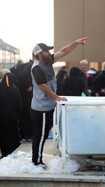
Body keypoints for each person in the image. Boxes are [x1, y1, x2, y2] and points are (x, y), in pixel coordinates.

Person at [30, 37, 88, 167]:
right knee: (40, 135)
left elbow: (63, 51)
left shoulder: (48, 61)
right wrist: (57, 97)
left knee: (43, 135)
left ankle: (37, 159)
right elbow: (43, 86)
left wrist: (76, 42)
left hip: (47, 106)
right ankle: (36, 161)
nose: (49, 53)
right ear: (39, 54)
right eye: (46, 51)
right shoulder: (37, 68)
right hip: (41, 108)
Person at [0, 73, 22, 157]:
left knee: (2, 136)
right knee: (12, 136)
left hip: (1, 118)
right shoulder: (16, 90)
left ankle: (4, 154)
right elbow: (19, 105)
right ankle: (12, 154)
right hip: (12, 118)